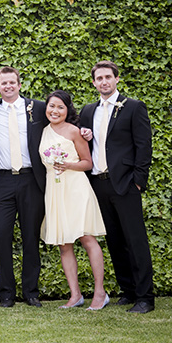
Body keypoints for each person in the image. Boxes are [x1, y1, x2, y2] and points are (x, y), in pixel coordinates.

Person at [80, 60, 154, 313]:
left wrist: (138, 182)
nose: (104, 82)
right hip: (99, 184)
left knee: (136, 240)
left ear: (116, 79)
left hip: (125, 184)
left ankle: (145, 297)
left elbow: (144, 147)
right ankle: (128, 291)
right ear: (94, 82)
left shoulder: (133, 107)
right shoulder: (89, 111)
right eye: (99, 78)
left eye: (108, 77)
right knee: (114, 240)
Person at [0, 66, 46, 308]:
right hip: (3, 181)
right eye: (3, 83)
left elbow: (63, 117)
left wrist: (82, 130)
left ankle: (31, 292)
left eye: (12, 82)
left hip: (31, 180)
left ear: (19, 84)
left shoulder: (37, 107)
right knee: (2, 237)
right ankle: (6, 294)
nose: (8, 87)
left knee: (30, 236)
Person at [39, 90, 108, 310]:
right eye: (51, 106)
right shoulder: (42, 132)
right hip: (55, 189)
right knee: (64, 243)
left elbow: (88, 162)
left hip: (76, 187)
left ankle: (100, 293)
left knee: (87, 238)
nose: (55, 111)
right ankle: (75, 295)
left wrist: (68, 165)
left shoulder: (75, 132)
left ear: (67, 110)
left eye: (60, 107)